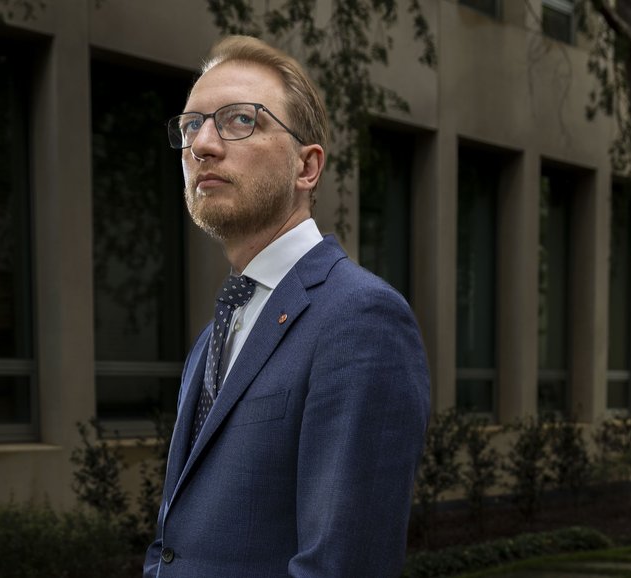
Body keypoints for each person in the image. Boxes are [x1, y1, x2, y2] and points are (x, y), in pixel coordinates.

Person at [143, 35, 430, 578]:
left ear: (307, 168)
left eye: (239, 120)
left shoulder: (360, 319)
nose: (202, 143)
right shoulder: (212, 338)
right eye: (191, 125)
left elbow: (343, 567)